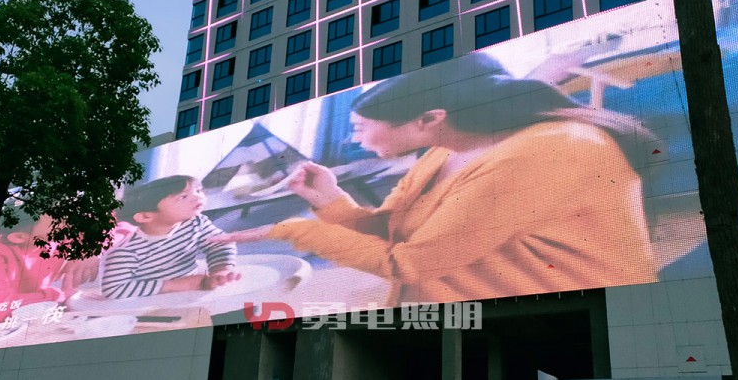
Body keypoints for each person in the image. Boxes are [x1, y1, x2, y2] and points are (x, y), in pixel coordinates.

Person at [216, 54, 657, 305]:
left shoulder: (547, 151)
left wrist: (296, 230)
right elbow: (395, 232)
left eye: (361, 127)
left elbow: (407, 263)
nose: (355, 139)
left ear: (429, 118)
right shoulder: (446, 148)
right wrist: (331, 200)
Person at [0, 214, 97, 326]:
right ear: (20, 237)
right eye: (54, 223)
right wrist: (55, 295)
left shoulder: (53, 233)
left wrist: (89, 251)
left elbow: (101, 223)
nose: (65, 222)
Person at [101, 175, 239, 299]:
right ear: (146, 216)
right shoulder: (127, 250)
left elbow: (220, 242)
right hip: (148, 303)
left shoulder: (196, 221)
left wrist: (220, 270)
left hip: (191, 295)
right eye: (183, 197)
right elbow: (114, 289)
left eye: (198, 190)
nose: (199, 197)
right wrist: (177, 285)